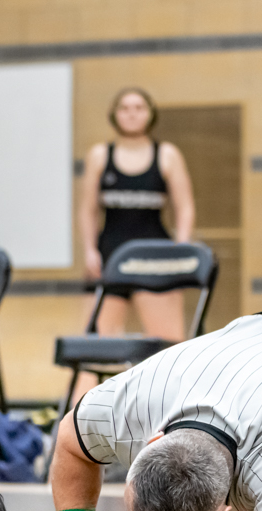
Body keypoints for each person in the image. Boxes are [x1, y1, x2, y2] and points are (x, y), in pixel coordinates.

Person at [50, 308, 262, 511]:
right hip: (258, 343)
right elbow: (71, 440)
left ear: (222, 510)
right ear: (152, 441)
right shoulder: (133, 405)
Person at [77, 88, 195, 344]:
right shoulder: (99, 156)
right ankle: (87, 387)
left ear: (151, 113)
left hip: (157, 258)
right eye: (125, 108)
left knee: (168, 345)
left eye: (139, 108)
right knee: (95, 345)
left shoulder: (167, 155)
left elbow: (185, 207)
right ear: (115, 114)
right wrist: (89, 250)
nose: (132, 114)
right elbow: (88, 210)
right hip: (109, 256)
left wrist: (182, 249)